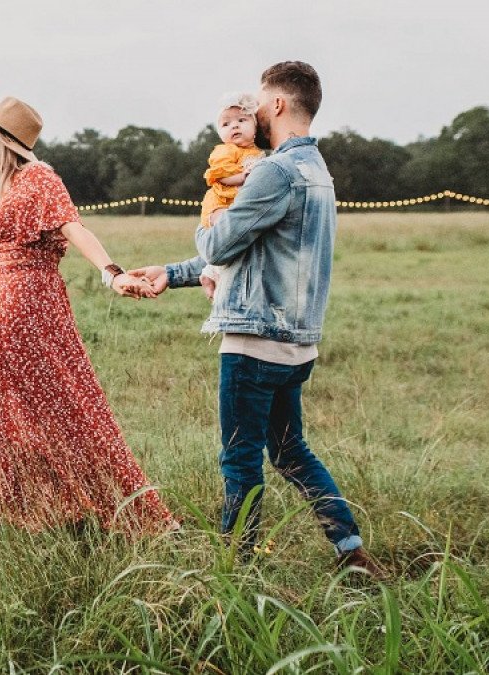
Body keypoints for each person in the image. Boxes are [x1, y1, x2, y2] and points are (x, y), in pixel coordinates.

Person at [128, 62, 383, 575]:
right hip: (297, 344)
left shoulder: (274, 171)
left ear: (279, 104)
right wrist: (172, 273)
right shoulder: (317, 171)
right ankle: (350, 550)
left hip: (254, 341)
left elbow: (220, 245)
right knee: (290, 452)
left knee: (240, 458)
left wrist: (211, 215)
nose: (254, 113)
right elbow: (253, 250)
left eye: (260, 104)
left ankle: (236, 568)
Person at [0, 96, 177, 533]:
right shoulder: (9, 188)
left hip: (27, 305)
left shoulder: (39, 177)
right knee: (2, 404)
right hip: (2, 304)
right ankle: (14, 511)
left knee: (60, 405)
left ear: (1, 142)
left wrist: (111, 273)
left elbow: (73, 226)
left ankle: (74, 506)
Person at [198, 92, 266, 299]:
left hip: (236, 203)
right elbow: (221, 175)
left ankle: (211, 272)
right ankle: (215, 274)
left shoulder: (258, 153)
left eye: (241, 120)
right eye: (226, 124)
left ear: (255, 127)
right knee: (227, 232)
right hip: (220, 202)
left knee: (238, 238)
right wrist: (242, 177)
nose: (234, 126)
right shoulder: (226, 150)